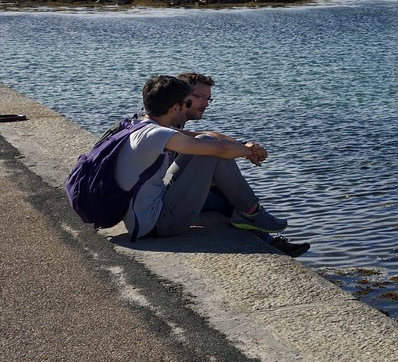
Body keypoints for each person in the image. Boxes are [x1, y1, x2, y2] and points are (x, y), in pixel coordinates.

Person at [117, 74, 307, 256]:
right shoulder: (157, 135)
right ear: (175, 108)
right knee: (212, 156)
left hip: (145, 215)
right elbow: (218, 149)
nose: (192, 107)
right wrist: (249, 152)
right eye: (187, 103)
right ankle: (253, 211)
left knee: (208, 145)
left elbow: (209, 138)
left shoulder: (140, 126)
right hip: (156, 224)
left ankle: (255, 221)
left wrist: (244, 148)